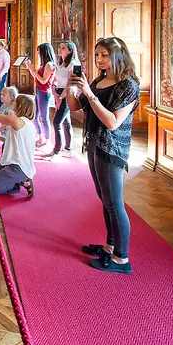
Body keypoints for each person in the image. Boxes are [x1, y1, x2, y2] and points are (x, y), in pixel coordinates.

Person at [66, 37, 140, 275]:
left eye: (104, 55)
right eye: (97, 55)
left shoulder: (128, 86)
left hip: (112, 148)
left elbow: (112, 122)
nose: (99, 59)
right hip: (95, 143)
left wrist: (90, 94)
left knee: (115, 204)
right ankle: (110, 246)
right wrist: (71, 89)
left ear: (118, 55)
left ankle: (122, 258)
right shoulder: (100, 79)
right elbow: (76, 108)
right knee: (104, 198)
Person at [0, 92, 36, 198]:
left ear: (19, 106)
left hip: (18, 167)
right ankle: (12, 179)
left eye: (15, 101)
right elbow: (19, 143)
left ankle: (19, 183)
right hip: (9, 161)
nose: (13, 102)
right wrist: (0, 138)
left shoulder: (17, 120)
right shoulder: (24, 122)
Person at [50, 40, 81, 158]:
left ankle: (57, 150)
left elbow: (71, 83)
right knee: (66, 122)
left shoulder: (73, 63)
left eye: (63, 48)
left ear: (70, 50)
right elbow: (55, 79)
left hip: (67, 94)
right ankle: (68, 148)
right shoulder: (61, 63)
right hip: (58, 92)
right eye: (60, 47)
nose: (60, 49)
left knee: (56, 122)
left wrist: (61, 97)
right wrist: (54, 92)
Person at [24, 43, 56, 148]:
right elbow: (36, 77)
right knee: (35, 116)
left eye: (39, 51)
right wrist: (29, 68)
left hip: (44, 92)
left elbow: (43, 81)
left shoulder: (49, 65)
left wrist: (32, 69)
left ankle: (47, 140)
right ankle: (40, 136)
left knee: (44, 117)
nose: (37, 53)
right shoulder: (44, 64)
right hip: (38, 90)